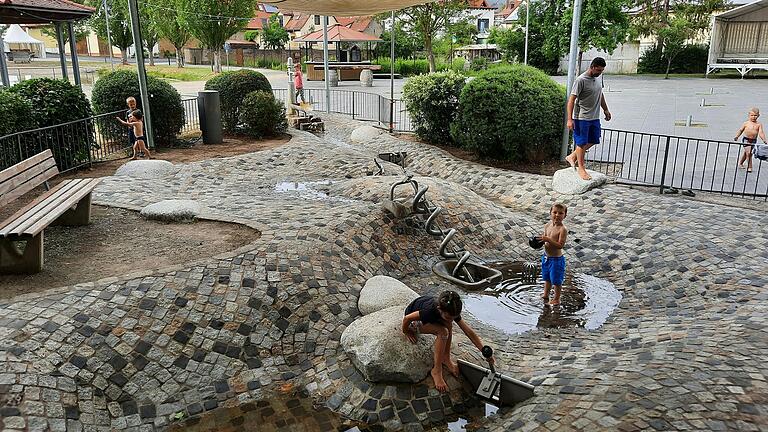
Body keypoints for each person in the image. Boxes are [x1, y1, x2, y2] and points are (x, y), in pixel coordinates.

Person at [402, 290, 495, 393]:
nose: (451, 319)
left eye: (453, 318)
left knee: (448, 325)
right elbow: (407, 318)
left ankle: (446, 358)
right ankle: (436, 370)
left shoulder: (450, 310)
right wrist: (406, 331)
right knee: (443, 332)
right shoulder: (430, 311)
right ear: (439, 309)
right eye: (449, 317)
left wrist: (483, 350)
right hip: (413, 321)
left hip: (433, 317)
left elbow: (468, 331)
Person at [565, 57, 612, 180]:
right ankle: (581, 168)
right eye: (598, 70)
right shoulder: (580, 80)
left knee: (594, 139)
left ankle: (572, 156)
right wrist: (569, 120)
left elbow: (600, 94)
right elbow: (571, 100)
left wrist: (605, 109)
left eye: (602, 71)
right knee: (581, 143)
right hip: (581, 118)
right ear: (592, 67)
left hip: (594, 117)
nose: (600, 73)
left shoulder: (598, 78)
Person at [538, 203, 568, 306]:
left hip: (556, 260)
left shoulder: (562, 229)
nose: (557, 215)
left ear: (565, 215)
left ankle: (556, 298)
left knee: (556, 280)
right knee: (546, 277)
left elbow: (560, 245)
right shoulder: (547, 226)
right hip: (546, 257)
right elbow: (545, 240)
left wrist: (548, 240)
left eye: (560, 213)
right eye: (554, 212)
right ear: (550, 213)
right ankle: (546, 294)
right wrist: (540, 241)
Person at [735, 107, 767, 173]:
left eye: (755, 115)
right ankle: (750, 167)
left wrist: (764, 140)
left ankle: (740, 163)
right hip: (746, 140)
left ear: (758, 115)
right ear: (749, 115)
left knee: (747, 153)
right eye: (752, 115)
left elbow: (761, 132)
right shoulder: (746, 123)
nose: (753, 117)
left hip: (753, 141)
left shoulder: (759, 124)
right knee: (749, 153)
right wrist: (737, 136)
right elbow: (741, 130)